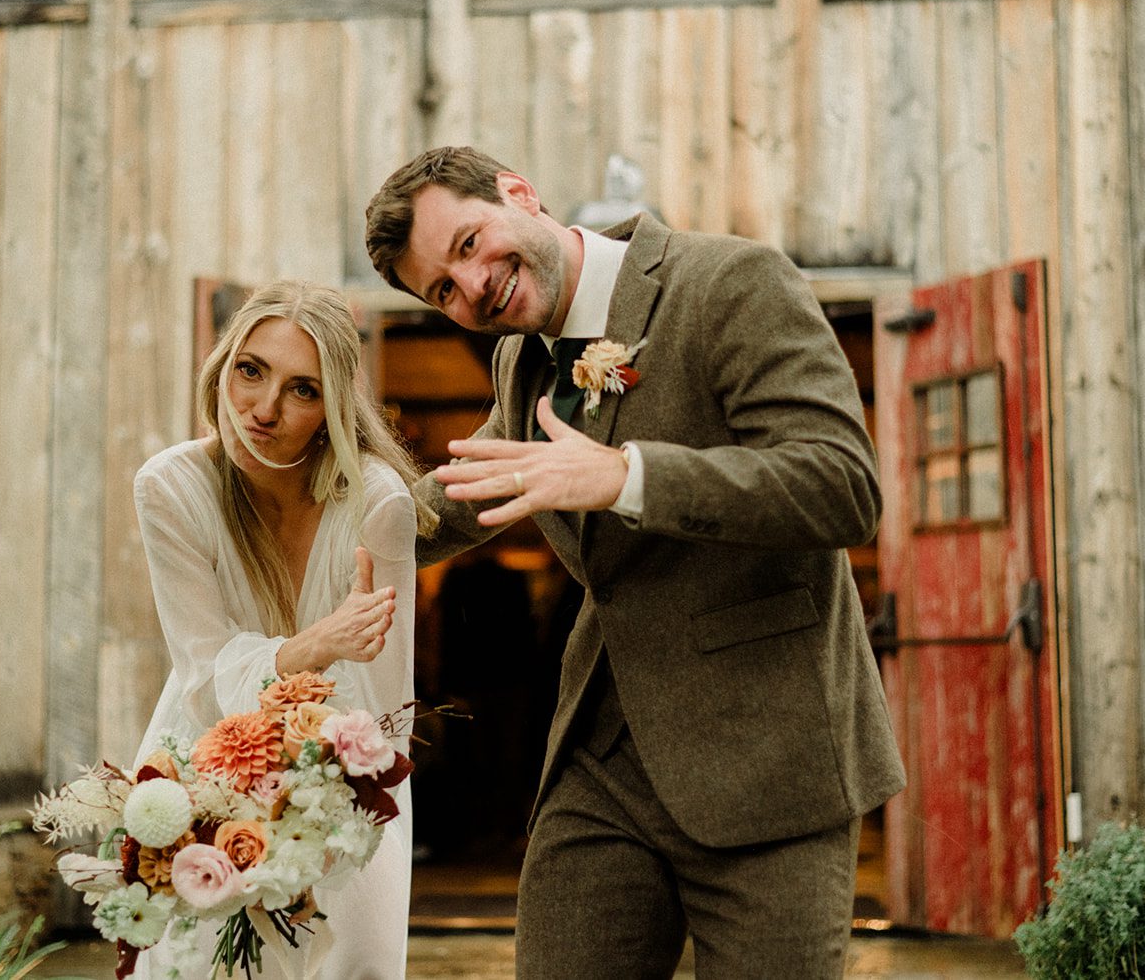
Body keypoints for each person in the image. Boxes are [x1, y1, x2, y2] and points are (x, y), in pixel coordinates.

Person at [363, 146, 906, 978]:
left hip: (768, 755)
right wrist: (312, 518)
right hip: (600, 766)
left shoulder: (733, 283)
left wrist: (628, 474)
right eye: (443, 288)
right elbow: (473, 492)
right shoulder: (521, 359)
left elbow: (841, 485)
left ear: (520, 191)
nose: (472, 287)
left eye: (468, 244)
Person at [130, 280, 432, 979]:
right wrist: (319, 642)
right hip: (205, 750)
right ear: (223, 366)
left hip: (346, 761)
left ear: (329, 411)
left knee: (358, 958)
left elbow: (386, 710)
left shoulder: (378, 503)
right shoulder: (169, 488)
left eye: (302, 389)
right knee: (194, 961)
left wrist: (328, 822)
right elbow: (204, 677)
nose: (264, 409)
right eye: (251, 370)